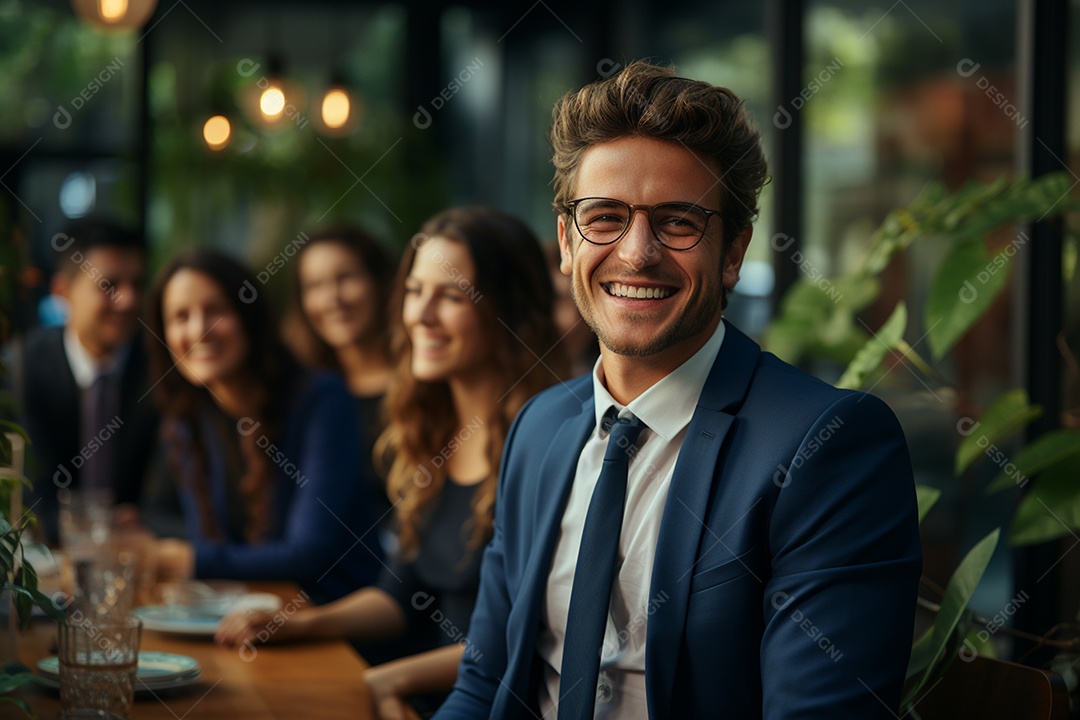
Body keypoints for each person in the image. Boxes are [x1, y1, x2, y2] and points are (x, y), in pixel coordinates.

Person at [434, 61, 922, 719]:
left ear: (733, 252)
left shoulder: (829, 447)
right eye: (604, 217)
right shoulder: (538, 427)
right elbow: (482, 685)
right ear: (567, 243)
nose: (637, 253)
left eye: (678, 222)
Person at [216, 207, 566, 719]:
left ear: (510, 312)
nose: (420, 314)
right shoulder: (431, 433)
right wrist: (301, 622)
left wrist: (385, 681)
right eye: (415, 291)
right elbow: (397, 597)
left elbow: (524, 642)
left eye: (451, 296)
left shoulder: (549, 443)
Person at [144, 249, 381, 604]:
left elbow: (307, 553)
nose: (198, 330)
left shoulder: (322, 401)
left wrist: (187, 559)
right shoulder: (188, 418)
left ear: (249, 315)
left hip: (334, 618)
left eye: (215, 310)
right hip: (241, 613)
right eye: (180, 316)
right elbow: (184, 525)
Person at [5, 217, 158, 542]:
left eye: (138, 284)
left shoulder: (162, 368)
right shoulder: (21, 367)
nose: (129, 300)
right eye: (109, 285)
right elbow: (30, 497)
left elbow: (168, 499)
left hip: (143, 556)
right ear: (63, 292)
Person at [286, 226, 396, 549]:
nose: (332, 299)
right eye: (314, 286)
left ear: (379, 282)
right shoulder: (300, 392)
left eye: (346, 277)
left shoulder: (423, 385)